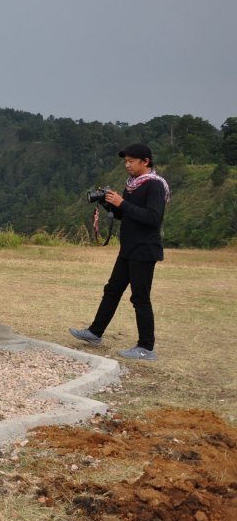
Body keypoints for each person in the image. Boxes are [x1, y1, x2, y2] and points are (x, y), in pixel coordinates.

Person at [71, 143, 169, 361]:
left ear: (145, 162)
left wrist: (122, 202)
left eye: (132, 161)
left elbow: (153, 218)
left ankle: (146, 347)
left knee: (140, 298)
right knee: (112, 290)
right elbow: (125, 214)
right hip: (129, 248)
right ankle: (95, 333)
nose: (127, 165)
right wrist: (109, 203)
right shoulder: (132, 184)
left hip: (145, 250)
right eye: (125, 161)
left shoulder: (155, 185)